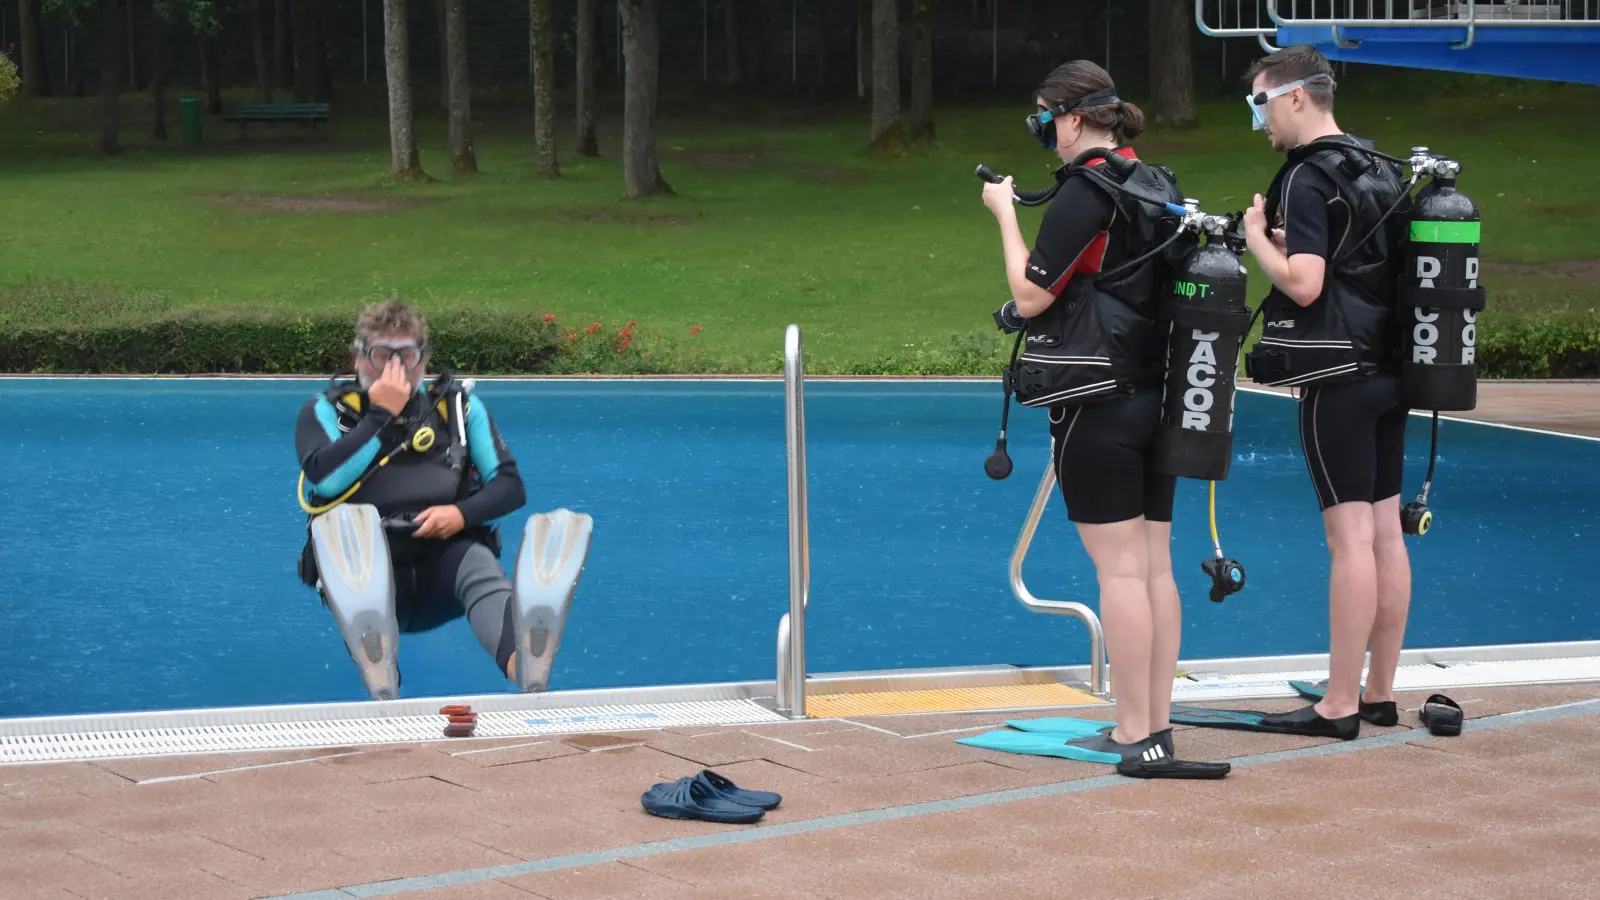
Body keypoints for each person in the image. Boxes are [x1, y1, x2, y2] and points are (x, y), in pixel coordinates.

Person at [981, 61, 1194, 767]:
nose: (1044, 132)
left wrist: (1007, 215)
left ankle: (1136, 731)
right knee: (1154, 566)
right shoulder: (1153, 182)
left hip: (1097, 403)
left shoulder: (1086, 187)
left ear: (1070, 118)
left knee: (1120, 573)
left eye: (1043, 119)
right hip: (1158, 393)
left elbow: (1034, 293)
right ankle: (1154, 722)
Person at [1240, 45, 1411, 739]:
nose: (1260, 121)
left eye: (1261, 104)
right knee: (1385, 534)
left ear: (1297, 97)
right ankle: (1378, 691)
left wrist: (1256, 237)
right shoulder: (1380, 168)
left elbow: (1306, 283)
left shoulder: (1307, 178)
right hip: (1395, 369)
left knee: (1349, 539)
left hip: (1338, 374)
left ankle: (1337, 704)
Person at [295, 300, 529, 685]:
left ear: (424, 360)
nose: (395, 368)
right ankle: (383, 679)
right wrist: (380, 416)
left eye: (407, 355)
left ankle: (524, 663)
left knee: (481, 567)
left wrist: (460, 515)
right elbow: (327, 478)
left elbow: (510, 485)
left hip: (443, 569)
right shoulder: (325, 412)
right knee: (348, 548)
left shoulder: (458, 410)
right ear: (358, 359)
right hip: (366, 573)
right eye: (381, 355)